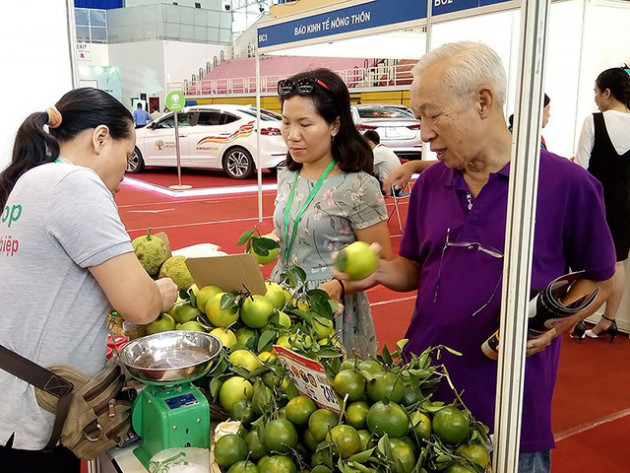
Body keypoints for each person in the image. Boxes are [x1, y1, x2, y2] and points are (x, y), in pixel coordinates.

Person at [337, 42, 615, 472]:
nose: (424, 133)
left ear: (483, 101)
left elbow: (600, 277)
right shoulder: (430, 185)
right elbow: (414, 268)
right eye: (419, 117)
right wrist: (378, 270)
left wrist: (558, 324)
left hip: (508, 409)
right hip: (418, 396)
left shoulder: (566, 185)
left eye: (433, 115)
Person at [0, 88, 178, 473]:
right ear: (100, 138)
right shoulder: (76, 185)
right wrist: (162, 293)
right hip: (35, 413)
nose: (125, 173)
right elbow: (140, 305)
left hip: (13, 399)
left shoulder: (31, 180)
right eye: (127, 156)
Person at [269, 68, 393, 357]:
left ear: (335, 125)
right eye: (286, 122)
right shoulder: (288, 174)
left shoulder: (358, 185)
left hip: (331, 309)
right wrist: (268, 241)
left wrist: (339, 285)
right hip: (282, 302)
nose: (292, 135)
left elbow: (382, 262)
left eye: (305, 124)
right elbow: (289, 229)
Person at [572, 67, 630, 341]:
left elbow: (581, 170)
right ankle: (608, 321)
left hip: (595, 202)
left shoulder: (593, 121)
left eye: (596, 92)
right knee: (618, 263)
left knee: (587, 262)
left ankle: (578, 318)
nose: (595, 98)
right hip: (625, 205)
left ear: (607, 92)